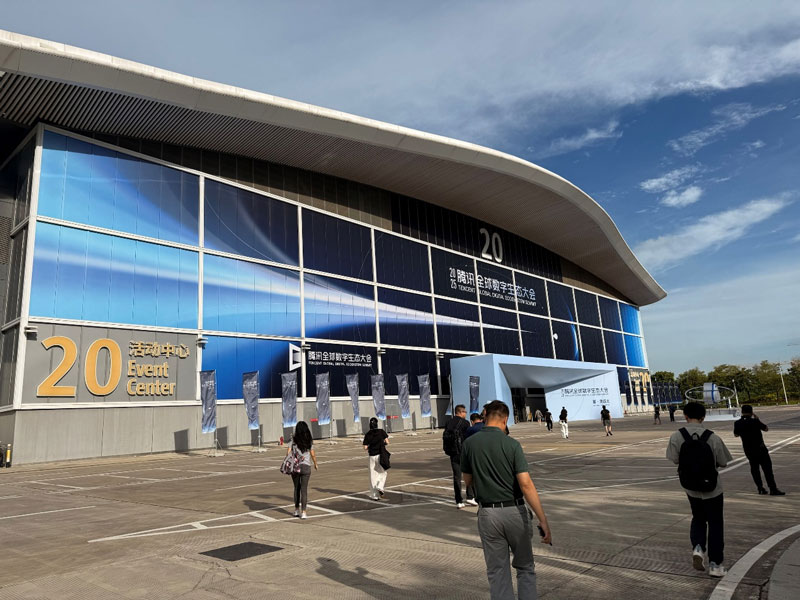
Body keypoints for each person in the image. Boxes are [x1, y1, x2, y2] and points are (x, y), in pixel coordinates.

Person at [461, 400, 552, 600]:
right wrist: (542, 519)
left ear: (485, 416)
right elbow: (525, 484)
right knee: (525, 568)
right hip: (515, 511)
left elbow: (467, 481)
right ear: (505, 419)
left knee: (497, 572)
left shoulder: (469, 444)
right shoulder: (512, 445)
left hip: (488, 514)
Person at [666, 402, 733, 578]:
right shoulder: (713, 437)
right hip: (712, 488)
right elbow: (723, 462)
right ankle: (715, 564)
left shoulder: (676, 436)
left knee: (698, 517)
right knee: (715, 523)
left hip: (691, 487)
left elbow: (674, 459)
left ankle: (698, 547)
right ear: (703, 417)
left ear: (685, 416)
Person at [733, 405, 785, 496]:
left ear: (742, 412)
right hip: (760, 449)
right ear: (751, 412)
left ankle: (760, 488)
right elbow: (766, 429)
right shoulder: (755, 421)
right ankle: (772, 488)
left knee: (755, 469)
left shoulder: (737, 423)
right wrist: (757, 419)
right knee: (767, 470)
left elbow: (736, 435)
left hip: (748, 450)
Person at [443, 404, 476, 508]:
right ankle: (470, 496)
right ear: (461, 412)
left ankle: (459, 500)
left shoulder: (449, 422)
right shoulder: (465, 423)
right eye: (465, 412)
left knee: (457, 477)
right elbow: (469, 438)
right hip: (463, 452)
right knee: (469, 474)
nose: (466, 414)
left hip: (453, 453)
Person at [287, 421, 318, 519]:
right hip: (306, 466)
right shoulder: (309, 440)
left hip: (295, 466)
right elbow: (312, 454)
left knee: (296, 488)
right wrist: (315, 463)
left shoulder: (293, 440)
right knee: (304, 490)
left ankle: (296, 510)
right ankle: (304, 512)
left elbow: (288, 453)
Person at [363, 417, 389, 500]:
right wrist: (382, 444)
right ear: (377, 424)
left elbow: (365, 447)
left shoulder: (368, 434)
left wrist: (371, 446)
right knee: (383, 472)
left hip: (371, 456)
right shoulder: (381, 432)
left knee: (372, 475)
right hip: (380, 455)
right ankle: (380, 486)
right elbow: (387, 442)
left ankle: (374, 495)